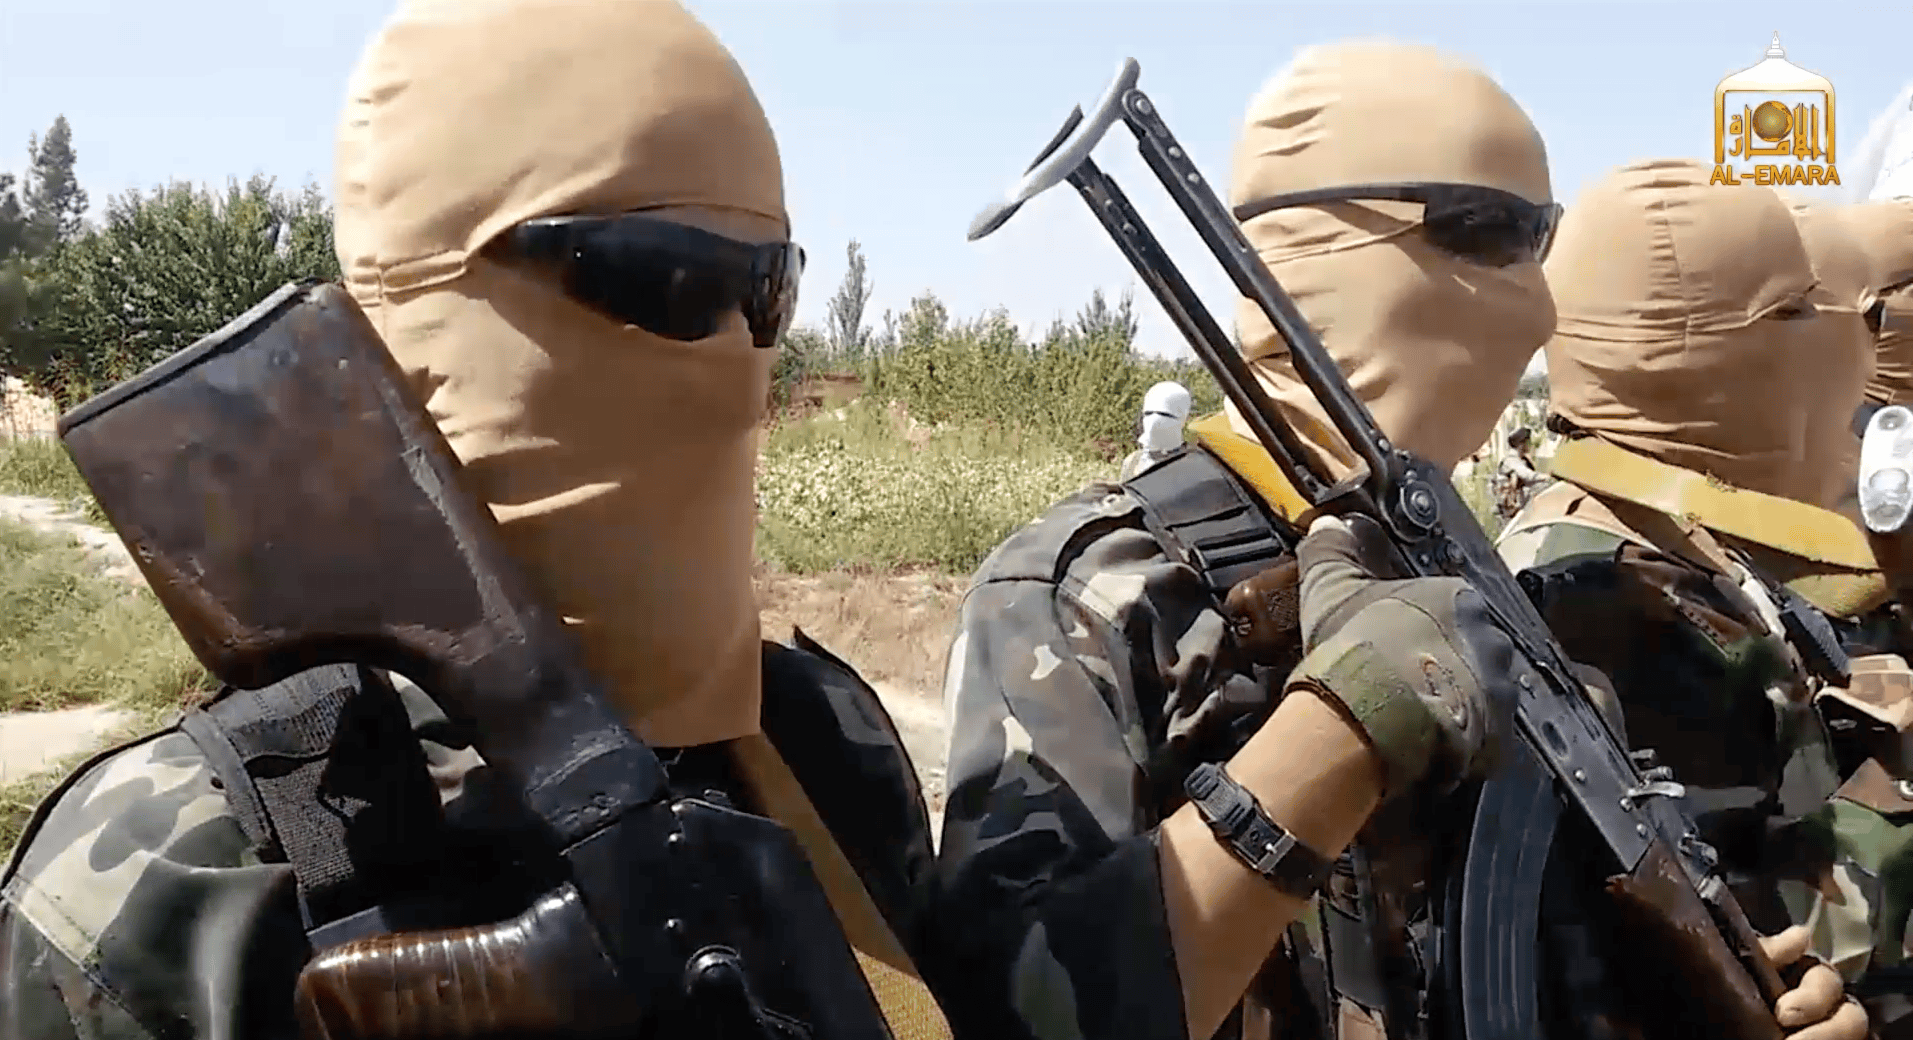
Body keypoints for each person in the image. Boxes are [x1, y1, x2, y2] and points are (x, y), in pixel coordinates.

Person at [0, 2, 947, 1038]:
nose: (734, 356)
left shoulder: (822, 741)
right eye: (666, 281)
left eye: (766, 292)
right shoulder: (180, 872)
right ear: (416, 302)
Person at [929, 43, 1861, 1040]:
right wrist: (1333, 742)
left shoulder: (1465, 572)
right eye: (1490, 233)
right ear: (1308, 245)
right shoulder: (1093, 590)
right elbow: (1006, 1012)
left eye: (1542, 240)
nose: (1536, 304)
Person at [1497, 158, 1880, 1037]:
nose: (1833, 349)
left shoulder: (1631, 537)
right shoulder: (1628, 606)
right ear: (1696, 352)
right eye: (1795, 312)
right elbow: (1759, 939)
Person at [1119, 380, 1195, 481]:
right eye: (1149, 413)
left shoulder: (1192, 465)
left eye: (1165, 415)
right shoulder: (1132, 462)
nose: (1154, 421)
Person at [1493, 425, 1548, 520]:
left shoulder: (1521, 460)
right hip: (1511, 511)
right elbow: (1528, 476)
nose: (1530, 445)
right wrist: (1547, 477)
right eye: (1528, 442)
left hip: (1521, 509)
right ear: (1521, 443)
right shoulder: (1511, 461)